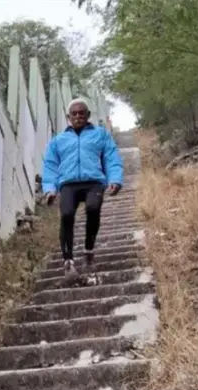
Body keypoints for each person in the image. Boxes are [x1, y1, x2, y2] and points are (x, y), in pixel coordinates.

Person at [42, 98, 124, 276]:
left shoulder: (101, 135)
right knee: (66, 215)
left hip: (93, 181)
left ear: (88, 115)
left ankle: (88, 250)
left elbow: (111, 158)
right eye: (74, 114)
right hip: (68, 183)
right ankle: (68, 261)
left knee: (93, 208)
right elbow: (50, 166)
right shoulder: (58, 141)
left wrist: (115, 180)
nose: (78, 116)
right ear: (68, 117)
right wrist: (49, 189)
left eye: (81, 113)